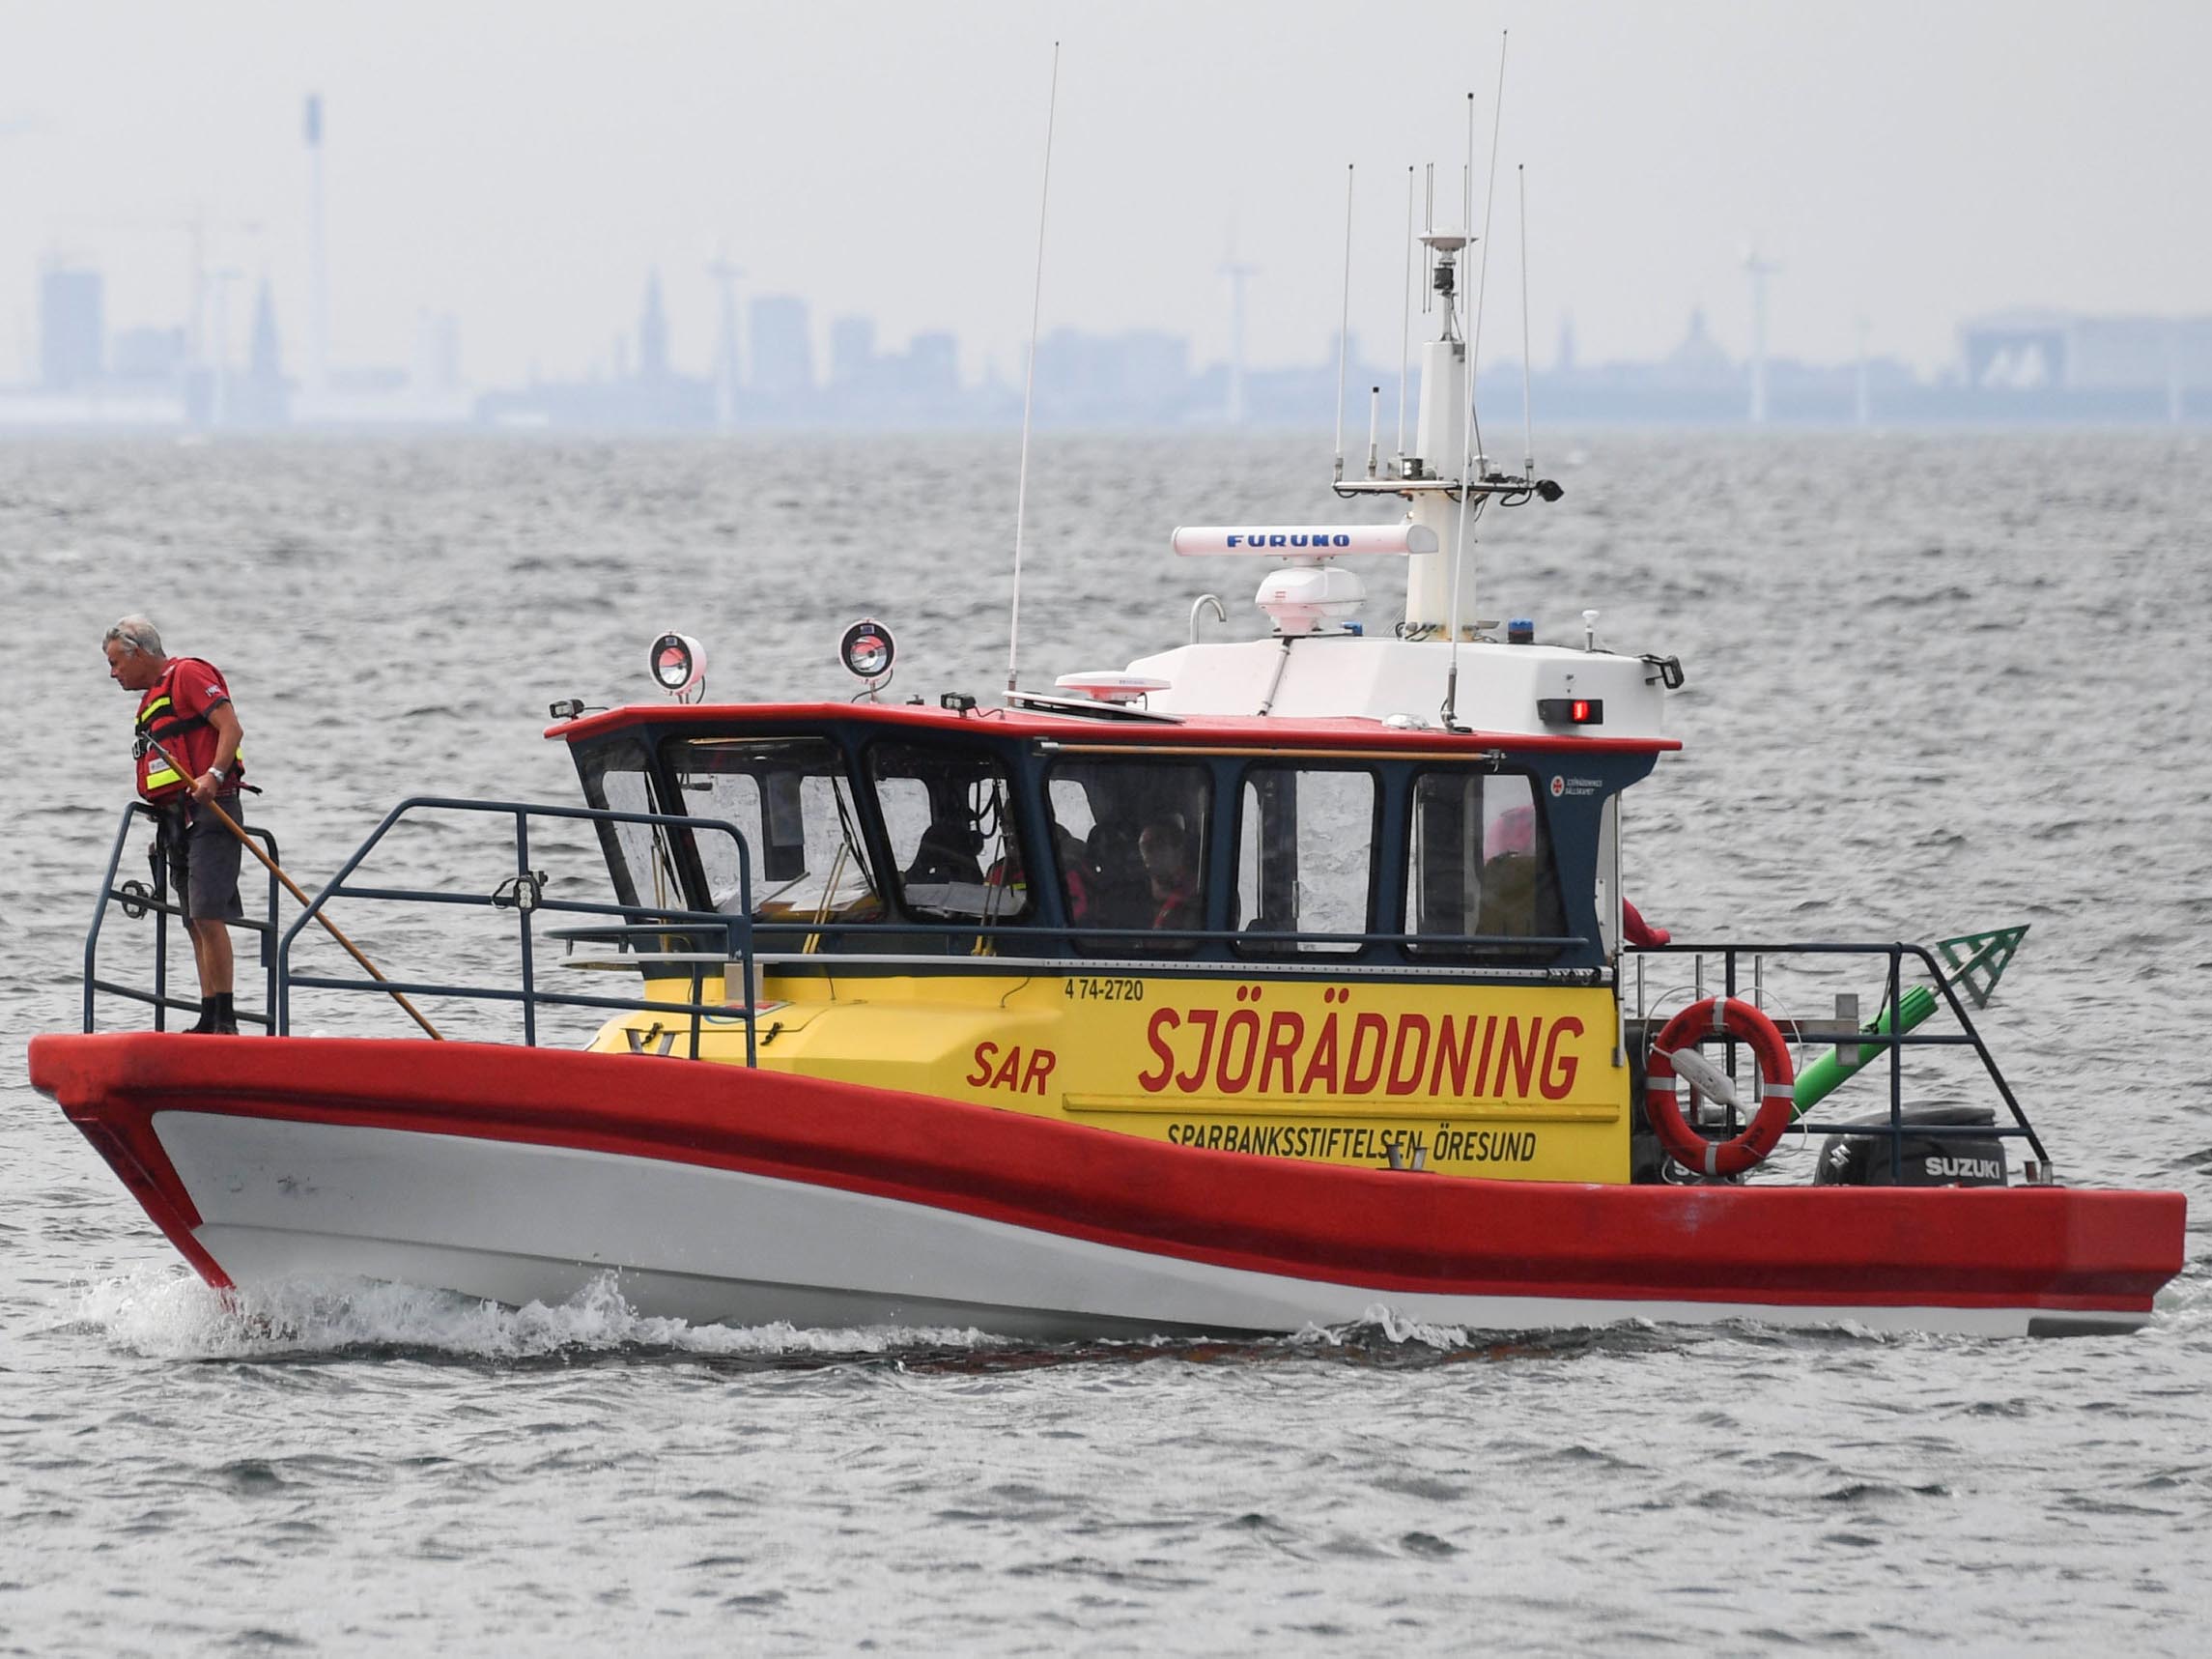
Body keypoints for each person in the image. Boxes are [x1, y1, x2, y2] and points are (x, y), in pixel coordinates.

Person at [103, 616, 247, 1034]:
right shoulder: (151, 701)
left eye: (116, 663)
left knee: (206, 914)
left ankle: (226, 1018)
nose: (113, 674)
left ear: (139, 652)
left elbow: (231, 728)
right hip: (176, 823)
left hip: (212, 810)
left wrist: (214, 776)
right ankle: (208, 1013)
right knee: (191, 920)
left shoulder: (187, 674)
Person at [1138, 818, 1202, 932]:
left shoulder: (1198, 891)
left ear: (1178, 849)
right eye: (1143, 847)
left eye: (1156, 844)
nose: (1148, 853)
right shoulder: (1141, 894)